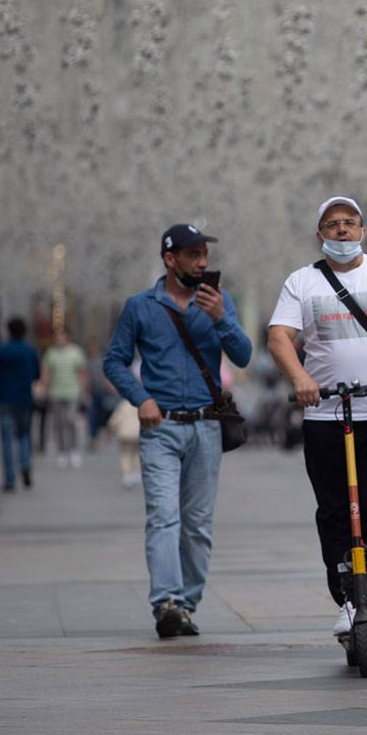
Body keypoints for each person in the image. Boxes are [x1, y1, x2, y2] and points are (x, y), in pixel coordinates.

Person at [268, 196, 367, 639]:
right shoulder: (301, 282)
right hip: (324, 417)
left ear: (363, 232)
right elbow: (279, 337)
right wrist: (300, 379)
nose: (342, 231)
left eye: (350, 223)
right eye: (333, 225)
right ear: (321, 235)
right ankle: (347, 600)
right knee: (333, 513)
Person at [104, 223, 253, 639]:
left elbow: (242, 355)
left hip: (207, 426)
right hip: (162, 427)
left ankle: (186, 604)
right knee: (163, 517)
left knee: (198, 524)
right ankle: (166, 602)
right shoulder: (140, 306)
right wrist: (141, 398)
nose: (202, 262)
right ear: (170, 259)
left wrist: (221, 318)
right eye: (192, 255)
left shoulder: (220, 302)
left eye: (205, 254)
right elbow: (114, 361)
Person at [0, 317, 42, 493]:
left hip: (5, 398)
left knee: (7, 438)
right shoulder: (30, 351)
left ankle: (9, 478)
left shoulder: (1, 351)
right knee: (23, 434)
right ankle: (25, 463)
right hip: (24, 398)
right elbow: (36, 374)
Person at [39, 327, 89, 469]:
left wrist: (84, 392)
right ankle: (61, 451)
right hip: (55, 393)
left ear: (67, 337)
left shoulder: (76, 352)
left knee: (71, 420)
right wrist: (43, 387)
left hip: (72, 392)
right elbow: (46, 372)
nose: (58, 339)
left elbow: (82, 373)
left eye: (61, 336)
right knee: (58, 423)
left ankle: (73, 450)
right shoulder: (51, 353)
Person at [86, 339, 119, 452]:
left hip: (104, 392)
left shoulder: (103, 361)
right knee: (93, 416)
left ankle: (105, 433)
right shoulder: (87, 362)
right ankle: (93, 437)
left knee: (104, 414)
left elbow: (106, 376)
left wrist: (111, 386)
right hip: (93, 392)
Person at [110, 400, 142, 488]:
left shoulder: (123, 405)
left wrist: (111, 428)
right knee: (136, 453)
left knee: (125, 454)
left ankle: (127, 474)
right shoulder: (140, 404)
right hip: (137, 432)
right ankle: (137, 472)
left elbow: (115, 419)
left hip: (124, 433)